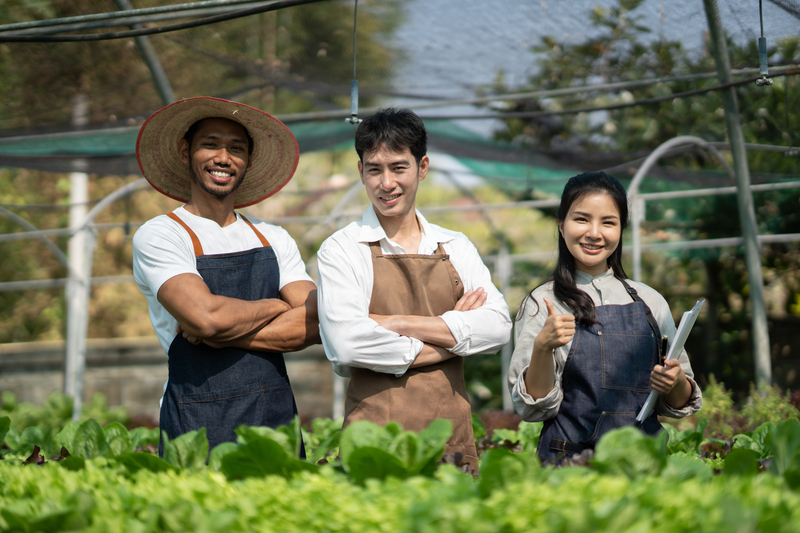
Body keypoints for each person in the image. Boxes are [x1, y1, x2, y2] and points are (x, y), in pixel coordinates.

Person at [316, 107, 512, 471]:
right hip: (373, 442)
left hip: (450, 440)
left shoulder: (456, 244)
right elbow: (346, 344)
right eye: (374, 169)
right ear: (361, 172)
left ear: (422, 167)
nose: (386, 183)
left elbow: (499, 326)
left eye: (398, 168)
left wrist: (393, 323)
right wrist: (453, 338)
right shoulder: (342, 249)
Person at [132, 97, 319, 455]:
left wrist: (220, 332)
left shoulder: (273, 236)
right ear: (185, 151)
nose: (223, 157)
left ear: (247, 161)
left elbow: (314, 322)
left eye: (236, 148)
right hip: (197, 420)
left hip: (275, 417)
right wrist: (276, 305)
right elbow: (207, 318)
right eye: (210, 144)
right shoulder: (162, 234)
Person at [507, 171, 702, 464]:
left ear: (622, 229)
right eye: (582, 219)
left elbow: (678, 403)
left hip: (643, 465)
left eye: (608, 222)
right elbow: (534, 408)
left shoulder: (651, 301)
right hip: (570, 468)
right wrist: (542, 348)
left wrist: (674, 382)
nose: (594, 233)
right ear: (561, 225)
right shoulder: (542, 303)